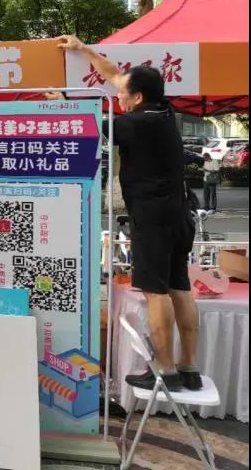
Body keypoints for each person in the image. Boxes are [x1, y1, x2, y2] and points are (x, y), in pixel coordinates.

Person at [57, 35, 201, 392]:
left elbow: (87, 125)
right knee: (179, 287)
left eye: (122, 94)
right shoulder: (163, 110)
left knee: (156, 293)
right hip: (179, 213)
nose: (117, 96)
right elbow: (114, 75)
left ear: (137, 97)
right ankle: (188, 368)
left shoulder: (136, 124)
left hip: (153, 218)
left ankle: (165, 371)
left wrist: (60, 103)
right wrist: (83, 50)